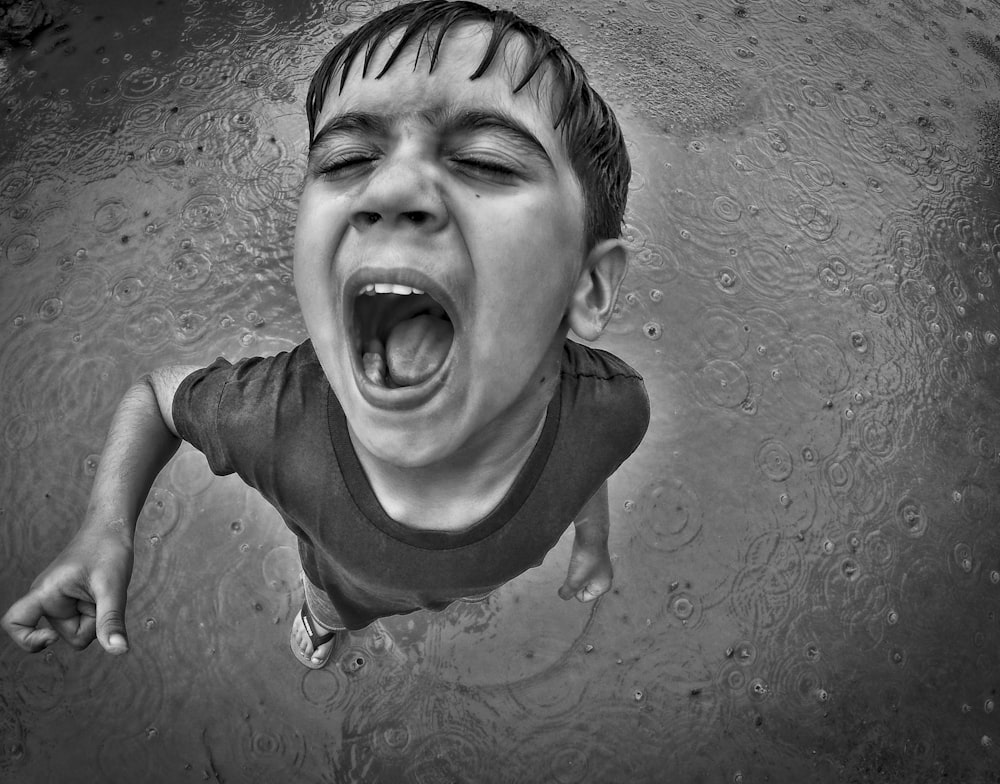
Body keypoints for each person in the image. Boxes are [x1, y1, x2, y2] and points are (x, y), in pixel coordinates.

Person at [2, 0, 649, 669]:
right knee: (332, 601)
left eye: (485, 159)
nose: (389, 186)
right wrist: (107, 529)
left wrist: (592, 541)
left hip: (486, 567)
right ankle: (320, 621)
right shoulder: (278, 418)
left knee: (446, 588)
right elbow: (152, 397)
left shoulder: (616, 407)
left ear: (589, 288)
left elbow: (589, 458)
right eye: (346, 158)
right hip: (344, 582)